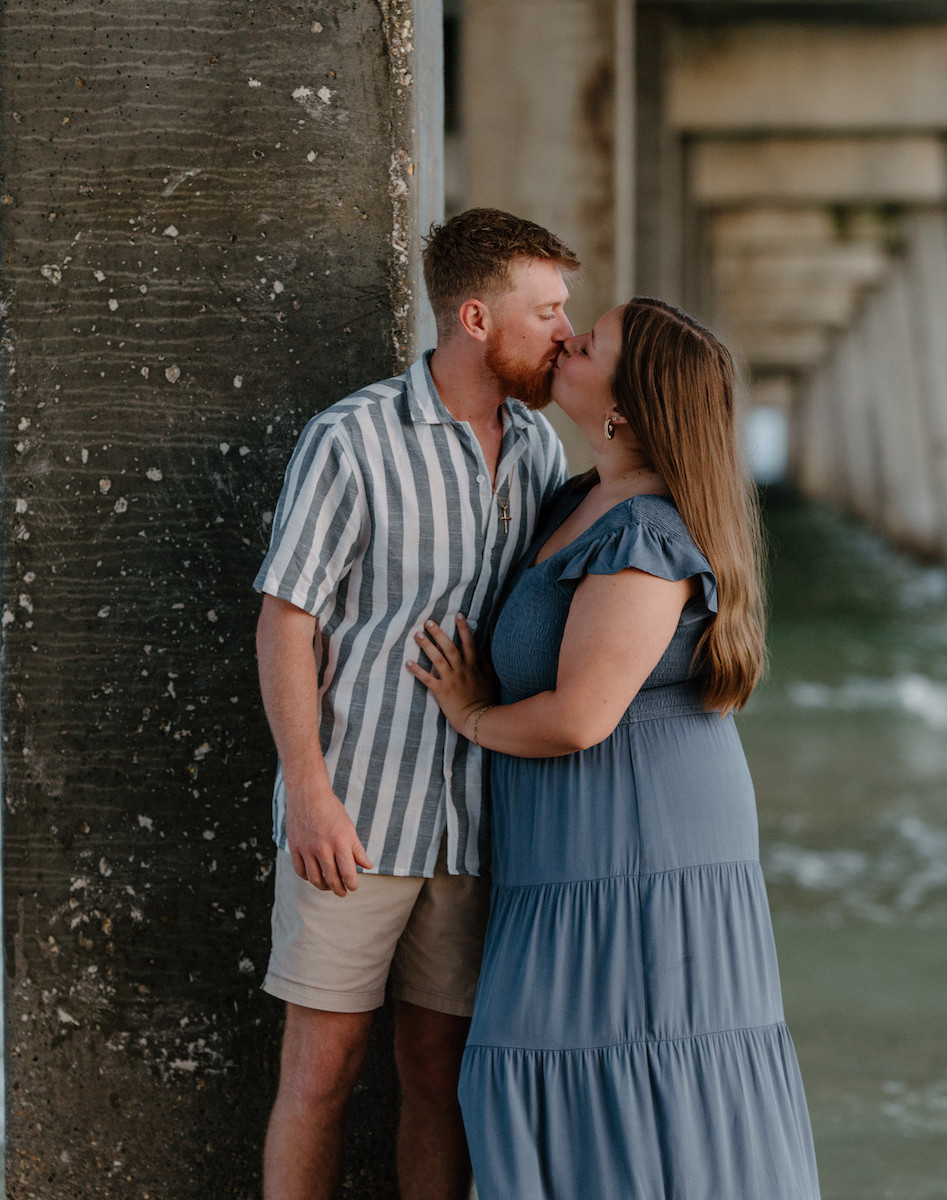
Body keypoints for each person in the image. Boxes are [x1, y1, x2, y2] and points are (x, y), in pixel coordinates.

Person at [408, 297, 821, 1198]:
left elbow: (580, 716)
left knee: (629, 1071)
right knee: (552, 1074)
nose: (565, 339)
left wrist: (472, 716)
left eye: (588, 343)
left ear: (627, 405)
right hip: (572, 843)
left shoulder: (645, 535)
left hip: (633, 843)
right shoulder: (579, 496)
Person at [253, 208, 578, 1200]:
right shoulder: (352, 438)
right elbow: (284, 620)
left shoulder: (538, 452)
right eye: (548, 310)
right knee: (321, 1077)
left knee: (442, 1081)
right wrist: (307, 789)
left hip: (477, 827)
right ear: (476, 317)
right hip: (355, 820)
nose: (567, 331)